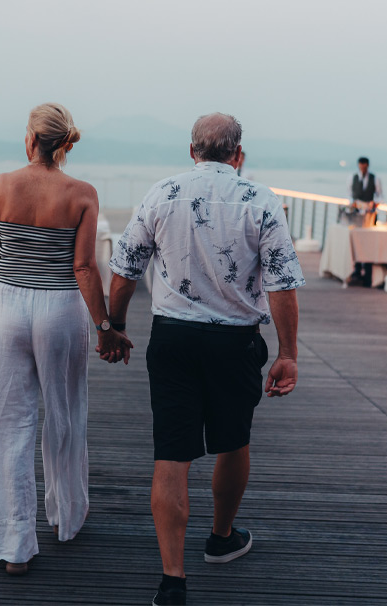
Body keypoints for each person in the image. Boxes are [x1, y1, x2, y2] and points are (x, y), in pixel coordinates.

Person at [102, 113, 304, 606]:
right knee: (233, 442)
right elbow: (281, 286)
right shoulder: (261, 200)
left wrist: (115, 327)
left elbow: (126, 269)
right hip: (235, 343)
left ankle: (173, 580)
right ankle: (220, 538)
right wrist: (288, 354)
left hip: (173, 340)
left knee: (171, 456)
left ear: (192, 152)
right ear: (239, 155)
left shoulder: (161, 193)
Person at [0, 103, 131, 576]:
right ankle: (66, 518)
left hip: (8, 307)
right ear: (65, 145)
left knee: (6, 425)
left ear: (29, 140)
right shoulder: (82, 193)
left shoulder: (0, 185)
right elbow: (83, 268)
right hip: (60, 307)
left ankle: (12, 542)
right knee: (64, 414)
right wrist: (106, 327)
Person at [348, 156, 383, 284]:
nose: (362, 167)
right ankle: (357, 270)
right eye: (361, 165)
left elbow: (380, 195)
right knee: (357, 241)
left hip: (370, 215)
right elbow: (350, 195)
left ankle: (368, 272)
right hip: (357, 214)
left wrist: (374, 203)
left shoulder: (375, 178)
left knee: (369, 242)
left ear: (367, 165)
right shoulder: (353, 177)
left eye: (364, 165)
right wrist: (354, 203)